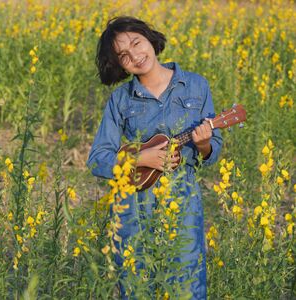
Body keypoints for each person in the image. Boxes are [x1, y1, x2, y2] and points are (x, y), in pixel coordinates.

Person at [86, 16, 223, 299]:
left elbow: (210, 155)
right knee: (136, 285)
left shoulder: (196, 86)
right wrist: (140, 158)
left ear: (150, 38)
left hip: (183, 200)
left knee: (187, 284)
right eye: (123, 55)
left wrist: (204, 144)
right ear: (119, 64)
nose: (135, 55)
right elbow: (98, 158)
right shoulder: (121, 99)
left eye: (137, 43)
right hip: (134, 204)